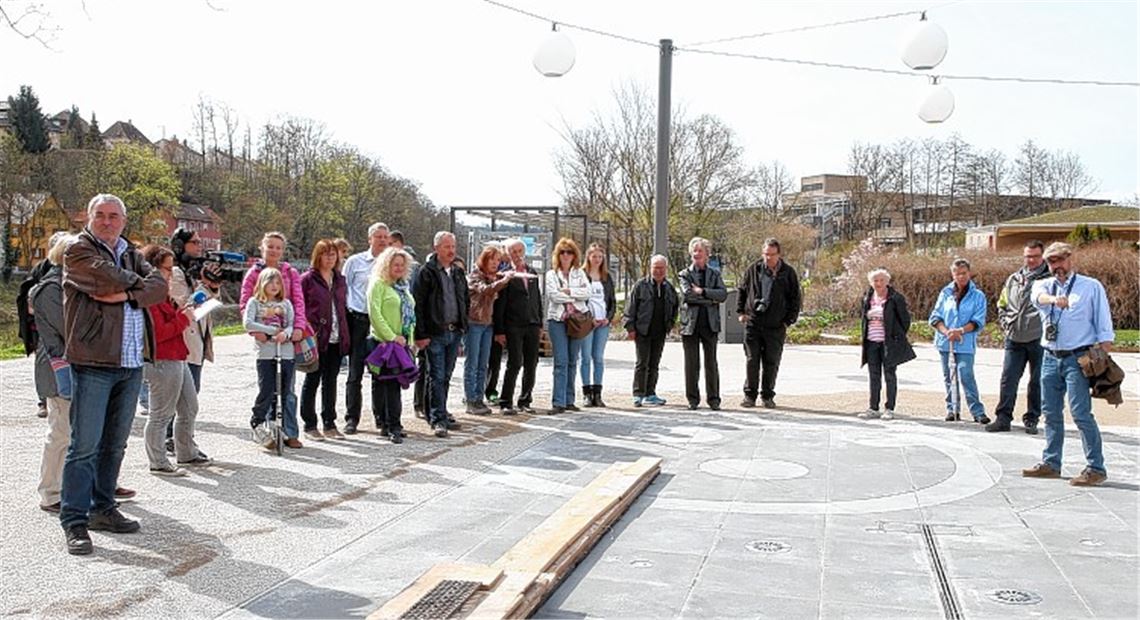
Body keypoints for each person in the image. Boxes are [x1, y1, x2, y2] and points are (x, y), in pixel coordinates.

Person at [59, 194, 167, 556]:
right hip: (94, 361)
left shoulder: (131, 252)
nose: (107, 221)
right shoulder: (78, 250)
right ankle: (74, 520)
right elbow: (104, 279)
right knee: (84, 446)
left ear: (124, 220)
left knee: (115, 444)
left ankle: (103, 508)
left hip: (131, 363)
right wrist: (139, 287)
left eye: (114, 216)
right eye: (101, 215)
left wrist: (126, 295)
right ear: (89, 218)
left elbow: (160, 286)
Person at [1022, 242, 1114, 486]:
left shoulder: (1090, 286)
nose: (1057, 266)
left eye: (1061, 260)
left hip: (1078, 357)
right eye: (1052, 262)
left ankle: (1096, 467)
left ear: (1070, 259)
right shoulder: (1042, 285)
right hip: (1050, 356)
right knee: (1051, 412)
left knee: (1081, 413)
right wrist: (1055, 300)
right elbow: (1037, 298)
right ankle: (1051, 462)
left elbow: (1104, 325)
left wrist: (1102, 356)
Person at [140, 245, 208, 476]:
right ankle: (158, 461)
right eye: (167, 269)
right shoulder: (149, 297)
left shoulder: (164, 295)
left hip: (177, 356)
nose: (171, 274)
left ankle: (186, 452)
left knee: (189, 407)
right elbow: (158, 333)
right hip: (162, 359)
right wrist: (184, 318)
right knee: (161, 413)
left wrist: (185, 310)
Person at [32, 233, 75, 513]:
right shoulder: (50, 289)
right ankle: (50, 492)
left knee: (75, 433)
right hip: (58, 368)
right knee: (60, 432)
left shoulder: (71, 284)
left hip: (75, 367)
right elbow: (68, 329)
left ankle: (74, 487)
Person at [987, 240, 1049, 434]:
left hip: (1039, 338)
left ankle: (1032, 419)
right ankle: (1003, 418)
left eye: (1035, 256)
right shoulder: (1014, 279)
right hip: (1014, 337)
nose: (1031, 260)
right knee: (1008, 378)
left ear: (1042, 256)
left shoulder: (1049, 280)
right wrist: (1006, 322)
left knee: (1037, 381)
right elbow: (1002, 303)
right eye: (1028, 256)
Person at [168, 227, 218, 459]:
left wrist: (212, 286)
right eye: (194, 243)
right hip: (183, 344)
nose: (199, 247)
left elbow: (207, 304)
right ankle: (172, 440)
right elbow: (184, 306)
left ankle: (184, 441)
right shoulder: (176, 273)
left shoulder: (192, 272)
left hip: (197, 342)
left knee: (191, 397)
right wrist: (205, 287)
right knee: (180, 400)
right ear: (181, 246)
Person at [413, 231, 469, 437]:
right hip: (434, 332)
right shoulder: (425, 272)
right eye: (447, 247)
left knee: (445, 376)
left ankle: (440, 412)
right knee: (435, 375)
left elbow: (464, 299)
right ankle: (438, 419)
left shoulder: (457, 272)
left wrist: (463, 325)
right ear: (436, 248)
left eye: (453, 246)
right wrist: (421, 334)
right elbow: (418, 304)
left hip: (454, 332)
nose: (451, 251)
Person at [736, 238, 801, 409]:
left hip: (776, 325)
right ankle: (749, 395)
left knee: (771, 362)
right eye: (766, 254)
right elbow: (742, 289)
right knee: (752, 360)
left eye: (772, 255)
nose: (768, 258)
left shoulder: (788, 272)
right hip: (753, 322)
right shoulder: (753, 269)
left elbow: (795, 298)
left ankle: (767, 395)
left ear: (779, 254)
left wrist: (788, 321)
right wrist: (741, 312)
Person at [243, 267, 302, 449]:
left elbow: (291, 324)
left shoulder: (286, 304)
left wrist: (286, 334)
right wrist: (271, 331)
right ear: (262, 283)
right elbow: (248, 323)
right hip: (266, 354)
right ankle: (257, 422)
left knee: (284, 391)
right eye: (270, 282)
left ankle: (280, 427)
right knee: (267, 390)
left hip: (286, 353)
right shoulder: (255, 302)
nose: (274, 286)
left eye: (278, 282)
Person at [341, 223, 389, 434]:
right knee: (355, 372)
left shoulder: (390, 264)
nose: (382, 240)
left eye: (385, 237)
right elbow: (343, 290)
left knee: (380, 372)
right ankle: (352, 418)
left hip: (381, 323)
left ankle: (381, 418)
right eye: (378, 236)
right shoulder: (355, 262)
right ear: (370, 239)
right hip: (358, 320)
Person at [929, 258, 990, 424]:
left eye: (964, 273)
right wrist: (946, 331)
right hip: (946, 342)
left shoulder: (978, 296)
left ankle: (977, 411)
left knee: (966, 375)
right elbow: (935, 317)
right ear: (952, 274)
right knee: (949, 377)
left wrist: (961, 330)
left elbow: (978, 320)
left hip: (965, 343)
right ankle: (952, 409)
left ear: (969, 273)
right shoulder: (945, 293)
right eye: (957, 274)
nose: (961, 277)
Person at [299, 239, 350, 441]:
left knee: (331, 381)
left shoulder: (340, 279)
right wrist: (307, 329)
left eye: (333, 254)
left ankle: (329, 423)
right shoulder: (307, 279)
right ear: (317, 256)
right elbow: (300, 307)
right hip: (316, 338)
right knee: (312, 379)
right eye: (325, 254)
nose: (330, 258)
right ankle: (310, 424)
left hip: (336, 337)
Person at [367, 247, 417, 443]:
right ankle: (391, 425)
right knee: (388, 385)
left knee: (395, 384)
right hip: (383, 343)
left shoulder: (402, 287)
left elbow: (410, 316)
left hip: (401, 343)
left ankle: (391, 423)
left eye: (402, 265)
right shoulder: (378, 284)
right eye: (395, 264)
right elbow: (375, 314)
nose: (399, 268)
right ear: (386, 265)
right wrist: (391, 336)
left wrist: (409, 340)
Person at [857, 268, 915, 420]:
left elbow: (905, 320)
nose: (878, 283)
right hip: (871, 341)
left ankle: (889, 408)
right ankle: (873, 407)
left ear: (887, 281)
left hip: (888, 343)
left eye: (881, 280)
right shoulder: (867, 297)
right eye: (875, 280)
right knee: (874, 375)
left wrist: (896, 335)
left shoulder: (895, 298)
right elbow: (863, 317)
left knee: (889, 374)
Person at [493, 238, 543, 415]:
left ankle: (525, 400)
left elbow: (537, 298)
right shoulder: (505, 275)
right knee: (515, 362)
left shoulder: (532, 272)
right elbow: (500, 305)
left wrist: (539, 322)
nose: (517, 255)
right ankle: (506, 401)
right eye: (513, 251)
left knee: (532, 363)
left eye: (520, 251)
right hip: (513, 324)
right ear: (507, 254)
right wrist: (499, 330)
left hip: (532, 323)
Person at [464, 244, 514, 415]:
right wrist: (504, 281)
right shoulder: (475, 275)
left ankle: (479, 398)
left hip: (487, 324)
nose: (495, 263)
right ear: (484, 259)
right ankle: (470, 400)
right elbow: (485, 290)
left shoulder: (493, 276)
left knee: (483, 364)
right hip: (474, 323)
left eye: (498, 260)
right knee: (472, 363)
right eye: (492, 259)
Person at [678, 238, 726, 411]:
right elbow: (688, 296)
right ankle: (692, 399)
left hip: (710, 323)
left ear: (707, 254)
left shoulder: (715, 274)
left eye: (700, 251)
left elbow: (723, 295)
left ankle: (714, 399)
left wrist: (703, 291)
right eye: (694, 251)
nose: (697, 254)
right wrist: (710, 300)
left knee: (711, 363)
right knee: (692, 364)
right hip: (690, 324)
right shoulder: (685, 274)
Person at [624, 254, 679, 407]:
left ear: (666, 269)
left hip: (660, 331)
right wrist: (630, 327)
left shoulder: (669, 288)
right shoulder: (640, 286)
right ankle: (638, 394)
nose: (658, 271)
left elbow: (675, 307)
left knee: (654, 364)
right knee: (642, 363)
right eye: (656, 267)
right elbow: (630, 308)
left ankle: (650, 393)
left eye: (661, 268)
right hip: (643, 330)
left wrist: (670, 324)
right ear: (650, 268)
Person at [545, 237, 591, 413]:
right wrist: (574, 296)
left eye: (569, 252)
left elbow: (587, 293)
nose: (566, 255)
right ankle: (558, 401)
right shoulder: (551, 274)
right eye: (562, 252)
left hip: (577, 321)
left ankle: (569, 399)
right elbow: (553, 296)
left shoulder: (579, 273)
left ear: (574, 255)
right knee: (561, 361)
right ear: (557, 255)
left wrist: (569, 291)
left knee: (573, 360)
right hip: (558, 320)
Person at [578, 243, 616, 408]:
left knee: (598, 358)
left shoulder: (607, 277)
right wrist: (589, 318)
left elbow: (612, 301)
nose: (597, 260)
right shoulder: (581, 275)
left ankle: (598, 393)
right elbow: (578, 300)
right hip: (587, 322)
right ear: (588, 257)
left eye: (600, 257)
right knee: (585, 357)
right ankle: (586, 393)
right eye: (594, 256)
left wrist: (608, 318)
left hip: (603, 323)